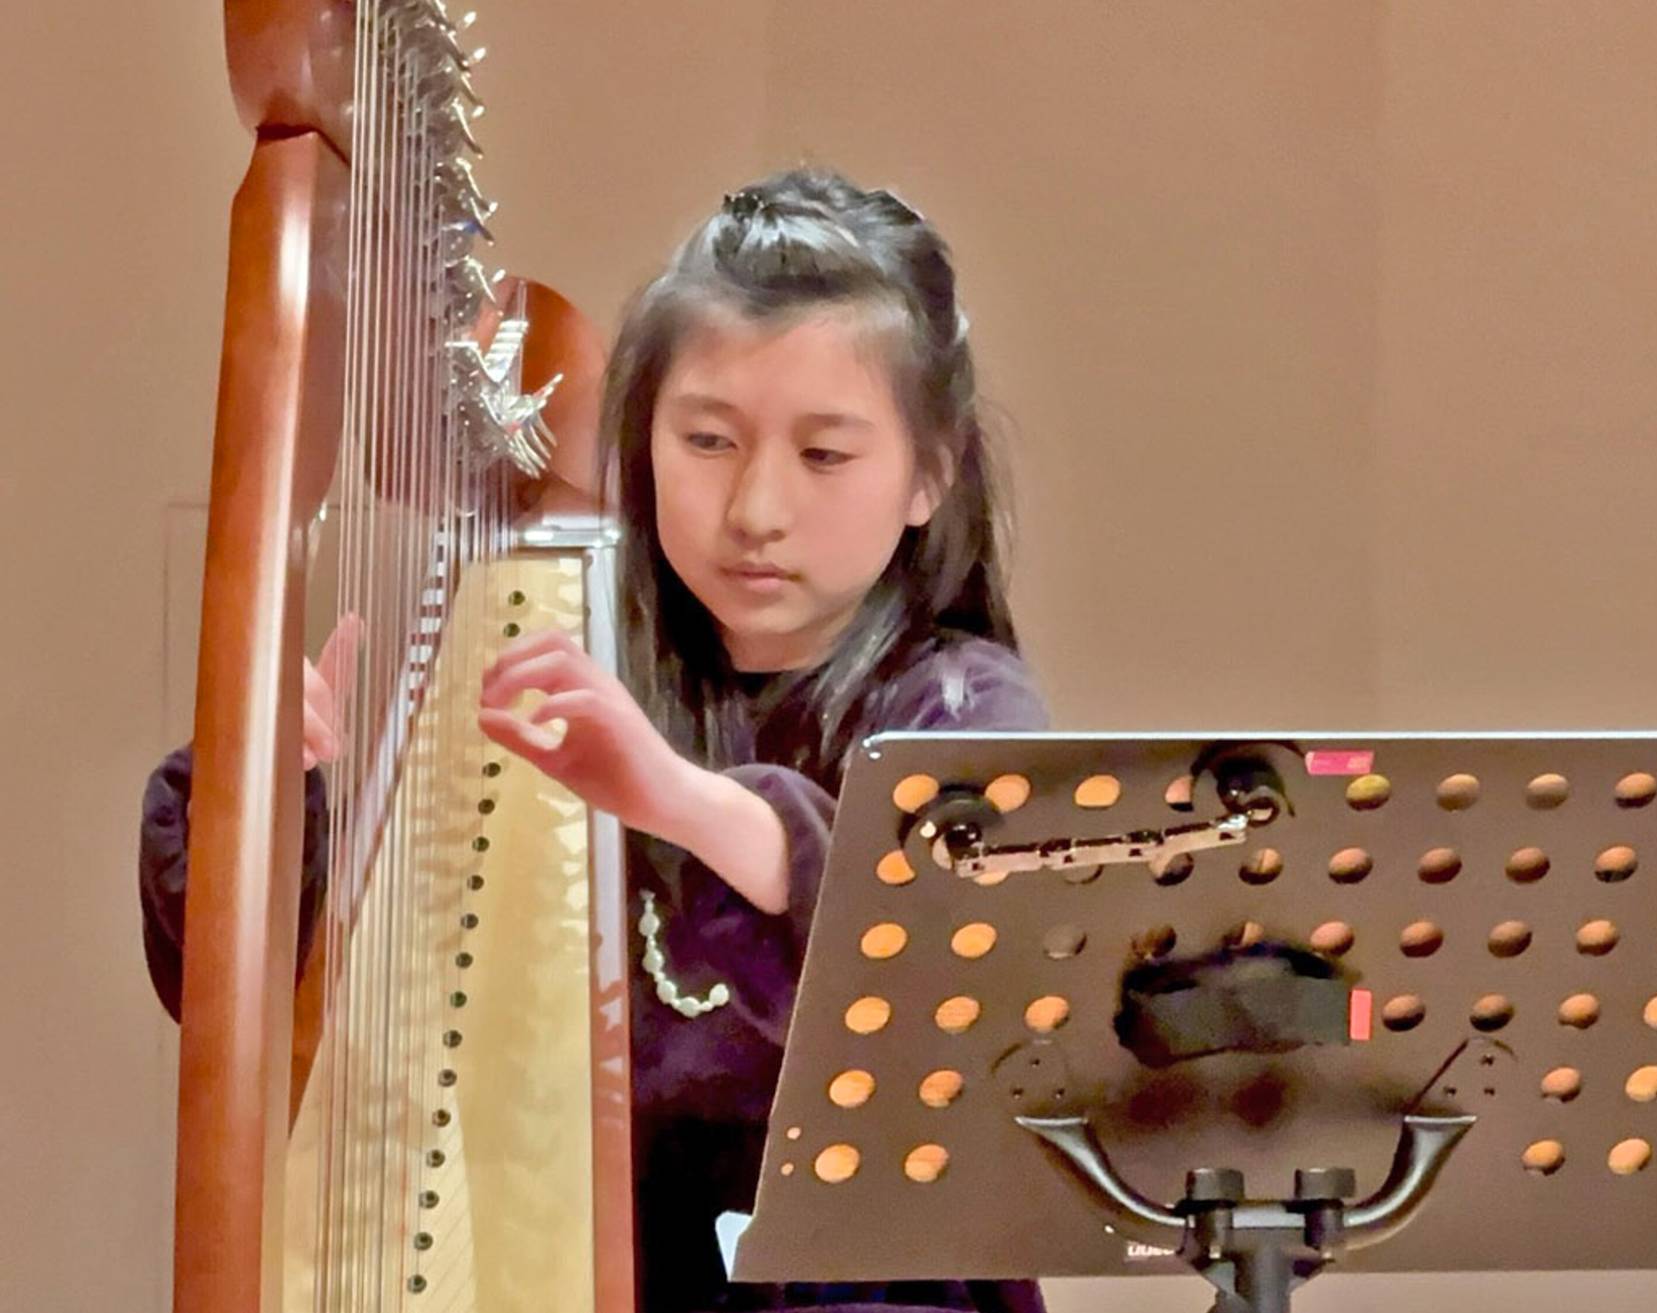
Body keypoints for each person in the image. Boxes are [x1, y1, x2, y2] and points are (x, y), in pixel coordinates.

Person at [139, 168, 1049, 1313]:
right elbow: (295, 1007)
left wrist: (675, 794)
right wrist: (272, 797)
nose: (757, 507)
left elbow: (957, 948)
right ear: (641, 441)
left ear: (931, 473)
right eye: (708, 440)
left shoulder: (960, 708)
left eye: (824, 456)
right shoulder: (566, 656)